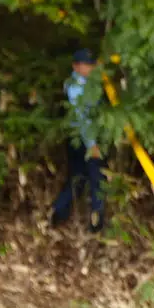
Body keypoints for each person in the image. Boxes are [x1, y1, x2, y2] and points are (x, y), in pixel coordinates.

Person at [50, 47, 105, 231]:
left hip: (83, 138)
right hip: (82, 139)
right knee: (96, 179)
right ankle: (96, 222)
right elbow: (83, 119)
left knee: (79, 177)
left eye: (91, 65)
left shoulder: (89, 84)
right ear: (76, 66)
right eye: (85, 65)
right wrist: (92, 145)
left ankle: (58, 212)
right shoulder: (75, 88)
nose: (90, 68)